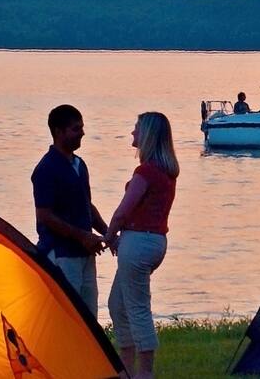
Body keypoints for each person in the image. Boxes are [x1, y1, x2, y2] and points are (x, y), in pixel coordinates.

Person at [105, 112, 179, 379]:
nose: (132, 133)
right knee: (117, 304)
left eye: (136, 129)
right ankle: (125, 368)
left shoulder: (145, 172)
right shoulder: (166, 172)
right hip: (153, 241)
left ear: (147, 135)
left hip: (138, 242)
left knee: (137, 308)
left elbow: (123, 211)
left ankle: (144, 373)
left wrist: (109, 235)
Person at [31, 104, 108, 313]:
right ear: (58, 132)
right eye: (76, 129)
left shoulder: (80, 165)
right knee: (67, 313)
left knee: (89, 314)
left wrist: (107, 233)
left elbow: (87, 205)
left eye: (82, 127)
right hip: (61, 254)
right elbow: (45, 216)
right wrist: (82, 236)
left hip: (84, 254)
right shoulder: (46, 169)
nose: (82, 133)